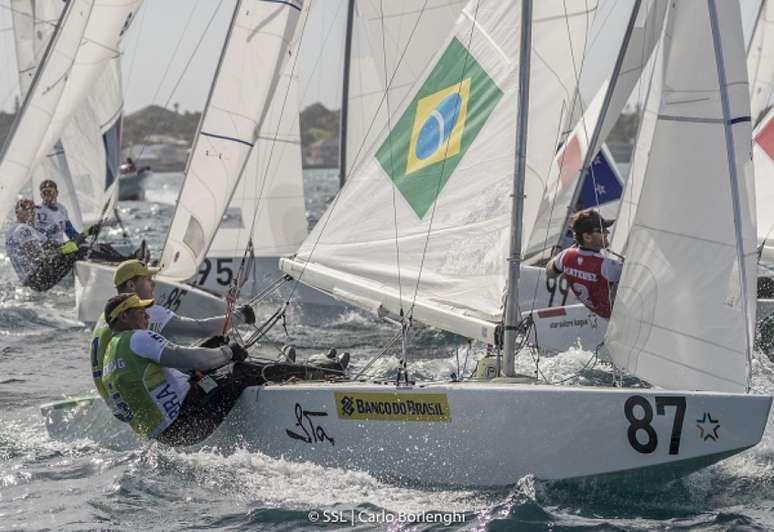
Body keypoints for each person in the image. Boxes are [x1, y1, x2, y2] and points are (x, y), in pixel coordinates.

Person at [100, 293, 348, 446]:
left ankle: (288, 369)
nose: (145, 314)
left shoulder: (111, 353)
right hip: (187, 422)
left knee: (216, 365)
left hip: (167, 436)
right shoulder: (137, 338)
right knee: (238, 369)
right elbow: (188, 358)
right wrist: (228, 353)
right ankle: (322, 372)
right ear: (123, 318)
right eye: (138, 310)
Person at [90, 258, 256, 403]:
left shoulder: (106, 317)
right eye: (148, 279)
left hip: (117, 400)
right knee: (220, 345)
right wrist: (241, 316)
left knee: (203, 349)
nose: (153, 284)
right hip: (142, 400)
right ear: (132, 285)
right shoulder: (145, 312)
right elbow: (203, 329)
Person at [545, 209, 623, 319]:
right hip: (617, 320)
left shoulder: (565, 256)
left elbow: (549, 273)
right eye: (602, 230)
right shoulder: (607, 266)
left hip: (597, 316)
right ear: (587, 237)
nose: (607, 232)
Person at [5, 198, 83, 291]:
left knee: (73, 248)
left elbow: (48, 245)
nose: (32, 213)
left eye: (33, 210)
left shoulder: (11, 231)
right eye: (28, 210)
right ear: (18, 213)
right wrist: (64, 251)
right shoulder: (23, 229)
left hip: (28, 282)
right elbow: (36, 256)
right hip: (39, 278)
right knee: (79, 251)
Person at [34, 179, 87, 244]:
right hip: (46, 248)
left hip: (61, 247)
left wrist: (83, 242)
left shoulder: (62, 209)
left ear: (57, 193)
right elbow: (36, 234)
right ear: (41, 195)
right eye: (44, 193)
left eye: (50, 192)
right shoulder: (37, 210)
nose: (48, 195)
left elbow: (70, 232)